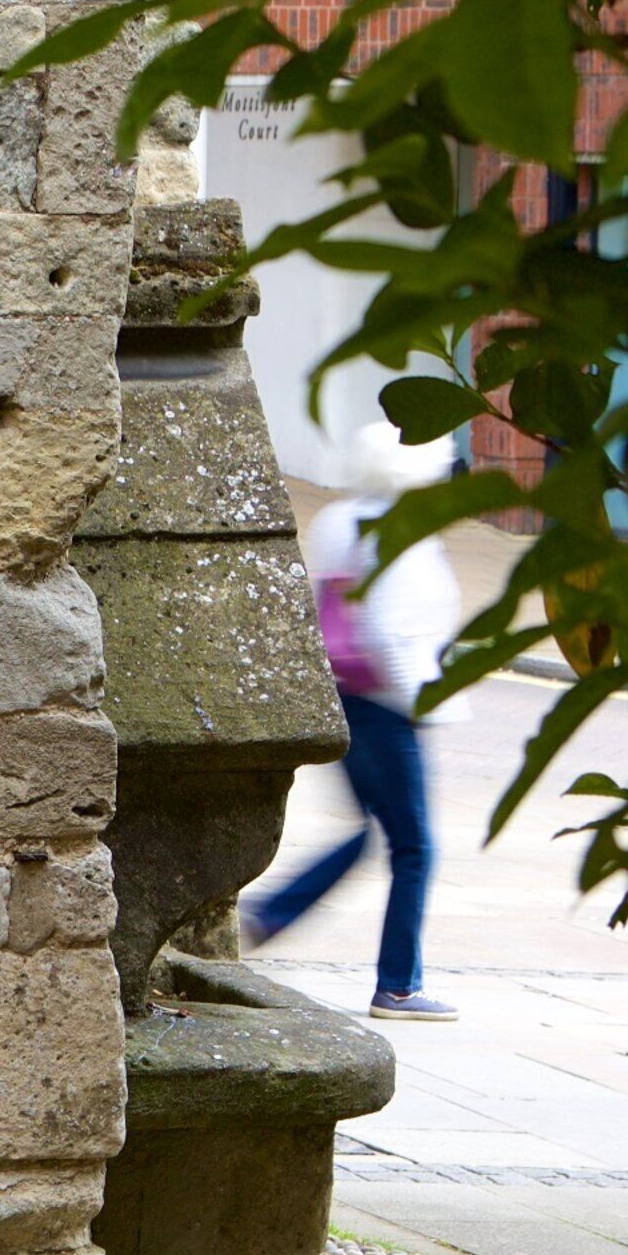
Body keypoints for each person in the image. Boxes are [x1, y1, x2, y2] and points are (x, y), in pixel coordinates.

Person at [244, 422, 468, 1020]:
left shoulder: (340, 520)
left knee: (373, 831)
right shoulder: (404, 536)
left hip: (345, 699)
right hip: (389, 710)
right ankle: (398, 986)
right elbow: (385, 631)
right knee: (414, 847)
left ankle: (270, 913)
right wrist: (422, 699)